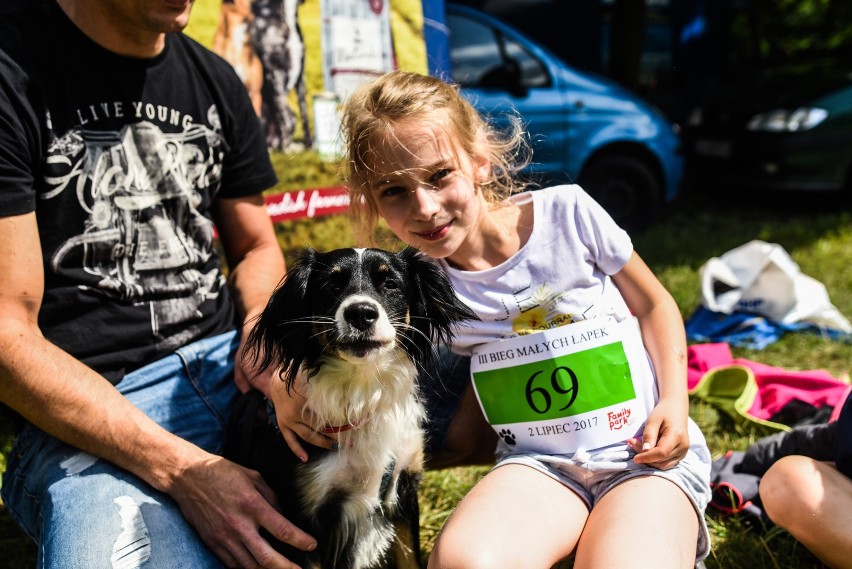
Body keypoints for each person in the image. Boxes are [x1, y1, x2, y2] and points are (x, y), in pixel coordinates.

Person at [340, 69, 713, 568]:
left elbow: (655, 304)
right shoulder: (422, 287)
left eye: (438, 176)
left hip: (643, 457)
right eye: (394, 191)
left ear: (479, 161)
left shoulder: (570, 213)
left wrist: (675, 402)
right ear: (372, 202)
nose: (424, 208)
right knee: (462, 563)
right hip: (539, 467)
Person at [0, 0, 325, 566]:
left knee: (448, 376)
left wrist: (261, 331)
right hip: (90, 412)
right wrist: (185, 470)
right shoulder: (12, 70)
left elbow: (255, 246)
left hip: (232, 366)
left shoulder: (214, 77)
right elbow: (7, 336)